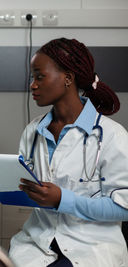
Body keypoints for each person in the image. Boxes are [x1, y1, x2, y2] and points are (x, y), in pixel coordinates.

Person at [9, 38, 128, 266]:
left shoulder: (111, 135)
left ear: (68, 78)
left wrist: (63, 200)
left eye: (40, 76)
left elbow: (123, 207)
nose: (33, 85)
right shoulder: (32, 132)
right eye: (32, 78)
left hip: (91, 246)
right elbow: (28, 186)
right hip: (36, 244)